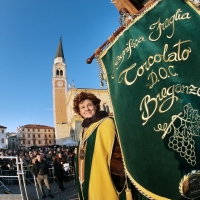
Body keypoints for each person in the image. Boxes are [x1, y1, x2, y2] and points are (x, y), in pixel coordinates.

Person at [73, 92, 126, 200]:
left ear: (96, 106)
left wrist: (117, 178)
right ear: (79, 112)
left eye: (89, 105)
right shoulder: (83, 130)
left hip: (104, 179)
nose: (86, 109)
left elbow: (119, 152)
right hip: (86, 180)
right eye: (82, 107)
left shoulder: (107, 122)